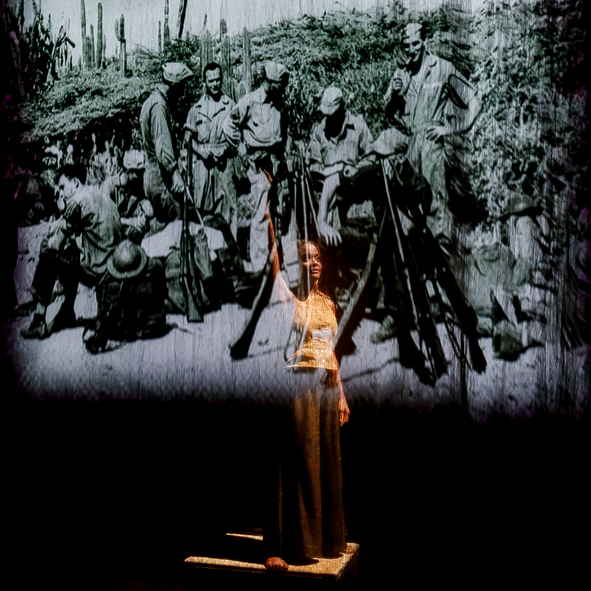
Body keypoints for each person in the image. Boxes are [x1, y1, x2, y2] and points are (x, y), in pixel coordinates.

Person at [262, 228, 350, 571]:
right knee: (295, 463)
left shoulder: (327, 303)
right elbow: (272, 266)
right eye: (305, 258)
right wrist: (268, 225)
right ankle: (280, 546)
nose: (313, 263)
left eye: (317, 258)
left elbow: (331, 351)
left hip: (325, 387)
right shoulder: (288, 299)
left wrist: (341, 394)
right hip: (298, 386)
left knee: (325, 464)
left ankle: (323, 539)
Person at [383, 22, 481, 242]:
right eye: (407, 45)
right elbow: (387, 112)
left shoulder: (442, 68)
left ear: (424, 42)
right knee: (405, 212)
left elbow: (475, 101)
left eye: (416, 43)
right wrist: (395, 95)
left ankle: (440, 252)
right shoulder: (401, 73)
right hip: (407, 148)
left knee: (435, 211)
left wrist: (449, 129)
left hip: (430, 146)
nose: (411, 50)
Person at [21, 163, 123, 339]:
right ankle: (66, 313)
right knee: (71, 253)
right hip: (114, 266)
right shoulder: (100, 194)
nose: (61, 192)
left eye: (62, 186)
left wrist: (51, 230)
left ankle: (39, 321)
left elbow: (57, 239)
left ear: (75, 182)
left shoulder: (78, 200)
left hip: (99, 271)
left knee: (50, 254)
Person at [223, 61, 290, 273]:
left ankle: (279, 259)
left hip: (275, 161)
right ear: (269, 82)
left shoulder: (280, 103)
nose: (281, 89)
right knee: (261, 211)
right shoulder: (250, 101)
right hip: (256, 162)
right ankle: (260, 265)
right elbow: (228, 125)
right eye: (278, 85)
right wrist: (241, 151)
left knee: (280, 209)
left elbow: (285, 133)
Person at [84, 240, 168, 353]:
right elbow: (163, 293)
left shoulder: (108, 279)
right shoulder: (156, 267)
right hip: (149, 328)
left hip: (134, 327)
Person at [184, 62, 238, 238]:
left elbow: (239, 136)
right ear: (205, 82)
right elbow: (187, 139)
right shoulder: (196, 109)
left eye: (217, 80)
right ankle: (205, 246)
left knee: (229, 206)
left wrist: (227, 148)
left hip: (224, 163)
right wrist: (199, 149)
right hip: (203, 165)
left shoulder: (230, 106)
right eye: (211, 81)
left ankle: (230, 247)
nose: (215, 84)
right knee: (202, 206)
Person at [140, 62, 193, 224]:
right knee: (176, 227)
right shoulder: (159, 107)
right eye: (182, 86)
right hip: (161, 179)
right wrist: (175, 174)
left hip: (155, 176)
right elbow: (162, 146)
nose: (183, 92)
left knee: (163, 227)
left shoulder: (154, 101)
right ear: (174, 85)